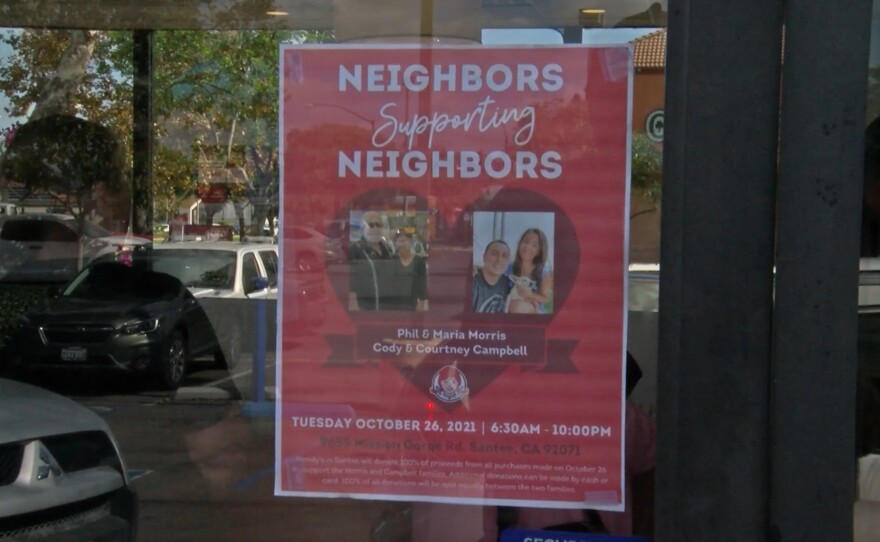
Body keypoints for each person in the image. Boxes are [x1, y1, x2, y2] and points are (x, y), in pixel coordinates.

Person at [348, 211, 394, 311]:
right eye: (371, 225)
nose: (375, 229)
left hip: (389, 303)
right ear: (363, 228)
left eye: (379, 225)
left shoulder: (387, 248)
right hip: (366, 305)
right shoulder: (355, 249)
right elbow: (351, 280)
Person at [505, 228, 553, 314]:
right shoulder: (509, 267)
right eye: (526, 242)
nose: (527, 247)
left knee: (517, 306)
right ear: (520, 243)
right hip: (510, 307)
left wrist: (530, 294)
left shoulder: (544, 272)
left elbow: (545, 299)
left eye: (534, 245)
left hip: (534, 310)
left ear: (539, 251)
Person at [380, 229, 429, 311]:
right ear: (396, 243)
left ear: (410, 242)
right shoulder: (391, 260)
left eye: (405, 241)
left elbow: (422, 285)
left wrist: (421, 304)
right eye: (400, 241)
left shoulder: (419, 261)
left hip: (412, 303)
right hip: (394, 304)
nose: (403, 244)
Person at [472, 240, 511, 313]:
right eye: (494, 254)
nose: (499, 260)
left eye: (504, 256)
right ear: (484, 257)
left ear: (508, 261)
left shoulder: (510, 285)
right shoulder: (473, 285)